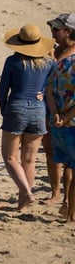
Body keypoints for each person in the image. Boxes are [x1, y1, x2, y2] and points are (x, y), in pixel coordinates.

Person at [0, 24, 55, 210]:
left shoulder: (13, 62)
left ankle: (26, 193)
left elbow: (3, 90)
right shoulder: (49, 63)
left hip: (17, 105)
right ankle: (22, 204)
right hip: (38, 109)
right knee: (29, 159)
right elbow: (51, 86)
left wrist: (4, 110)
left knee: (10, 157)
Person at [45, 13, 75, 218]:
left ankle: (68, 208)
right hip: (63, 120)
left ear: (69, 31)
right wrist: (59, 114)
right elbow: (48, 89)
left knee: (69, 165)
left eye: (56, 29)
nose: (53, 33)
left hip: (64, 120)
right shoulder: (60, 57)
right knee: (68, 164)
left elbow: (49, 89)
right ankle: (69, 208)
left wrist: (60, 114)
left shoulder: (65, 60)